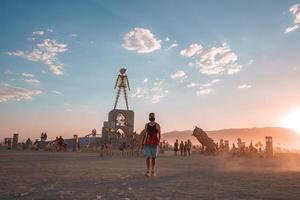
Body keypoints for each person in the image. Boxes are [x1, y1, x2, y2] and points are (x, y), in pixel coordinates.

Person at [142, 112, 161, 177]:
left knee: (153, 157)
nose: (151, 117)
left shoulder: (157, 125)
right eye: (150, 116)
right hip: (147, 142)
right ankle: (148, 171)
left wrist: (158, 143)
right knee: (148, 157)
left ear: (154, 117)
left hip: (154, 142)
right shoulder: (146, 125)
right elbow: (145, 134)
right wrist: (142, 142)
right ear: (149, 117)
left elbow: (159, 135)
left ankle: (152, 171)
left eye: (152, 116)